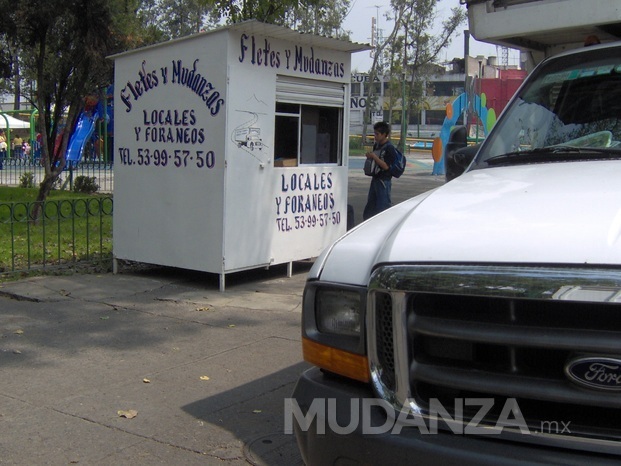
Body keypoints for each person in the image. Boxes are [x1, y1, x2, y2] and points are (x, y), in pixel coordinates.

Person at [363, 121, 398, 220]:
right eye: (374, 134)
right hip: (375, 178)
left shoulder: (389, 148)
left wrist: (374, 157)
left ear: (384, 135)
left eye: (377, 134)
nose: (375, 136)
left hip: (384, 180)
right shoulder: (377, 145)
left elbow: (387, 167)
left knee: (383, 206)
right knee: (371, 205)